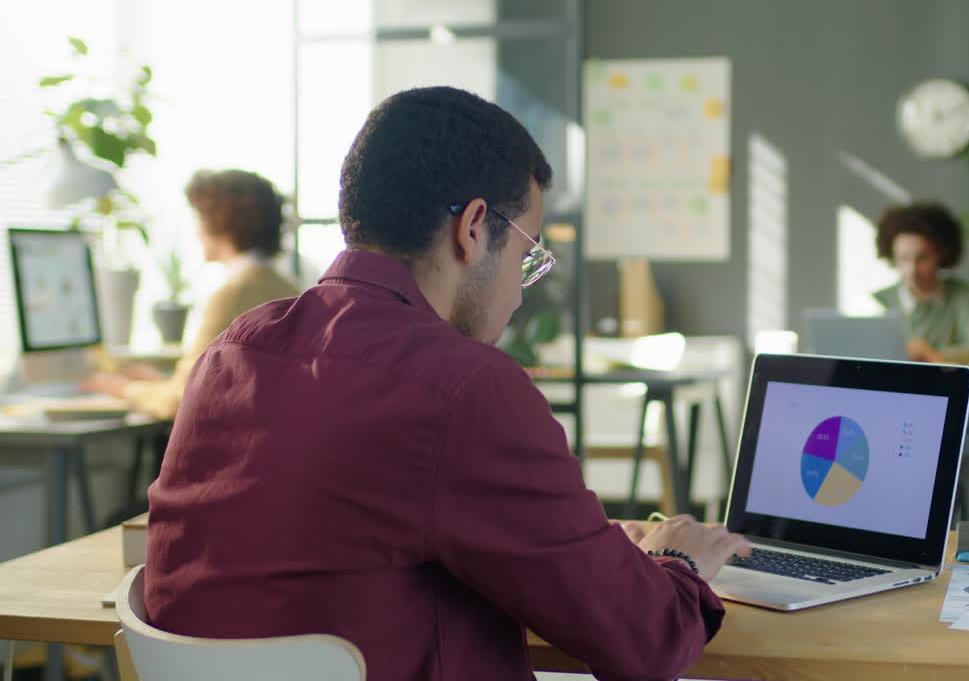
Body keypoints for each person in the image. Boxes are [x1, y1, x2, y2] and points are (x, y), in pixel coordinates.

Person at [143, 87, 751, 681]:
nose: (519, 292)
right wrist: (679, 560)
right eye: (526, 254)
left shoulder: (234, 353)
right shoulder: (464, 388)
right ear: (474, 228)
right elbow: (646, 640)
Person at [83, 170, 300, 419]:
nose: (197, 231)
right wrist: (157, 382)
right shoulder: (288, 288)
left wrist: (124, 389)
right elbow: (228, 384)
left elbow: (182, 400)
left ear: (220, 221)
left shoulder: (233, 293)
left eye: (200, 219)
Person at [872, 202, 969, 364]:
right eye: (903, 258)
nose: (912, 270)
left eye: (922, 258)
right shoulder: (877, 304)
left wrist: (931, 354)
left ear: (941, 254)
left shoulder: (966, 298)